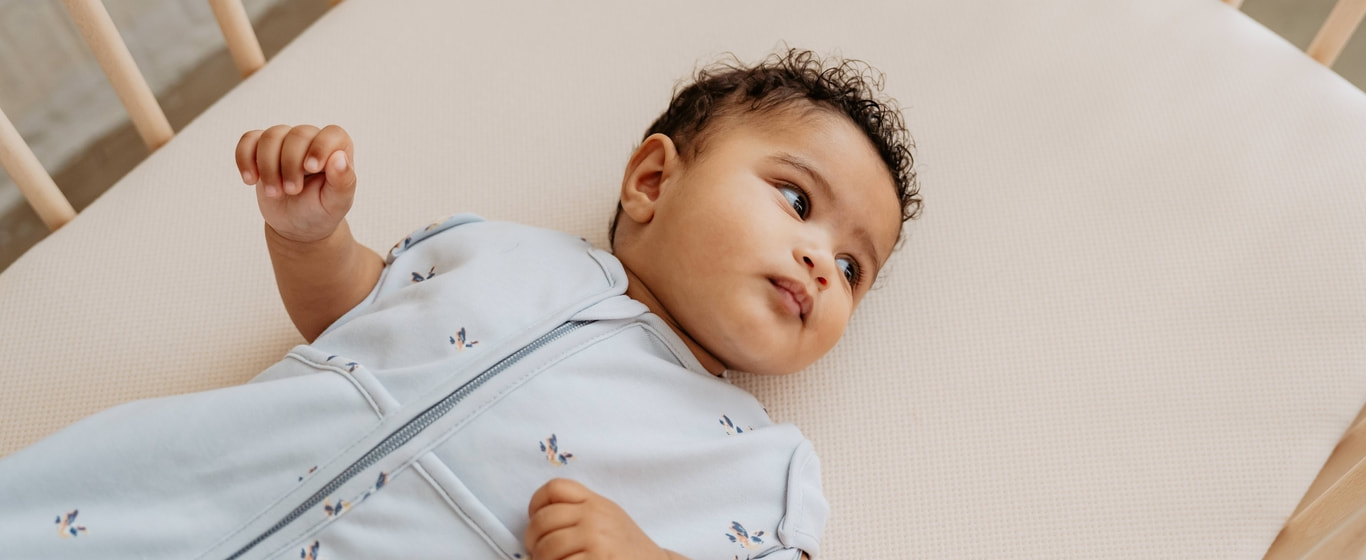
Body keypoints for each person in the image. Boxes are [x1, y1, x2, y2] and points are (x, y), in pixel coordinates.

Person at [0, 48, 919, 560]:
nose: (817, 258)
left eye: (851, 269)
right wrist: (312, 237)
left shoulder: (758, 464)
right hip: (197, 486)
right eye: (797, 201)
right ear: (651, 179)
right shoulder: (494, 248)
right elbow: (351, 312)